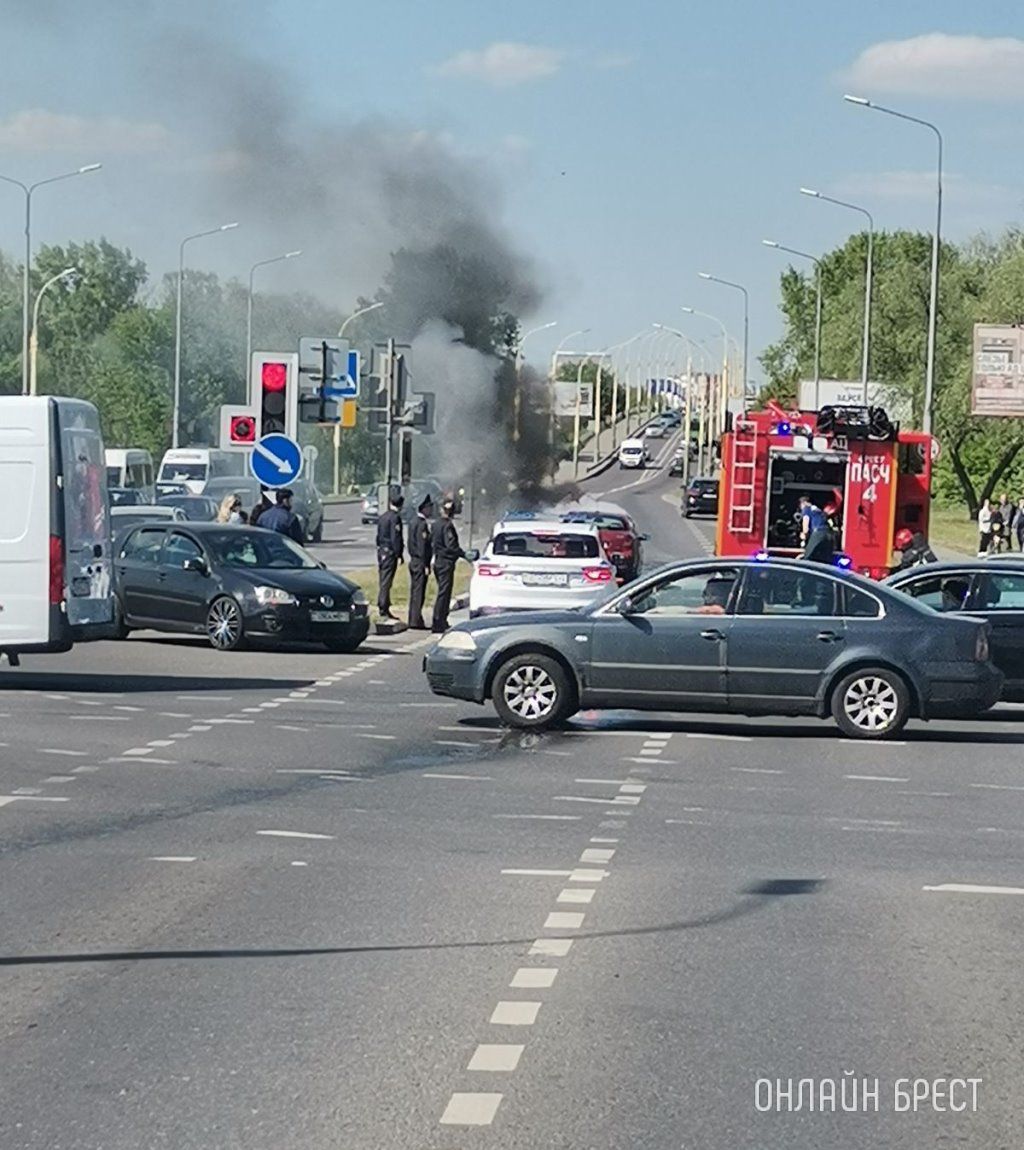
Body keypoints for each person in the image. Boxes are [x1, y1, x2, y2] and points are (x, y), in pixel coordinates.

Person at [431, 493, 468, 633]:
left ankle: (440, 620)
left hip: (438, 561)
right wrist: (463, 554)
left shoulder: (435, 525)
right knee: (444, 593)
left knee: (442, 591)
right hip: (446, 563)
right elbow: (451, 546)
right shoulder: (447, 526)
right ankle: (439, 621)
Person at [375, 488, 404, 620]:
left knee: (382, 578)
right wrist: (399, 554)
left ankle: (384, 603)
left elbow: (378, 536)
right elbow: (395, 537)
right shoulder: (395, 518)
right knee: (387, 581)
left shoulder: (383, 517)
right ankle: (383, 605)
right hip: (390, 552)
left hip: (381, 551)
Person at [407, 494, 434, 630]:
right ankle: (415, 620)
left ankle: (413, 617)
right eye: (429, 508)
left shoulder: (413, 522)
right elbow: (422, 546)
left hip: (414, 561)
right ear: (424, 508)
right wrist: (425, 564)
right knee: (419, 592)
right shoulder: (422, 524)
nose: (431, 510)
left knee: (414, 591)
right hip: (420, 563)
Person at [798, 495, 834, 564]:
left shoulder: (806, 509)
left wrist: (804, 535)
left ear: (804, 503)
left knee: (807, 558)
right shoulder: (818, 509)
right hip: (829, 535)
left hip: (818, 534)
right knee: (824, 560)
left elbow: (806, 526)